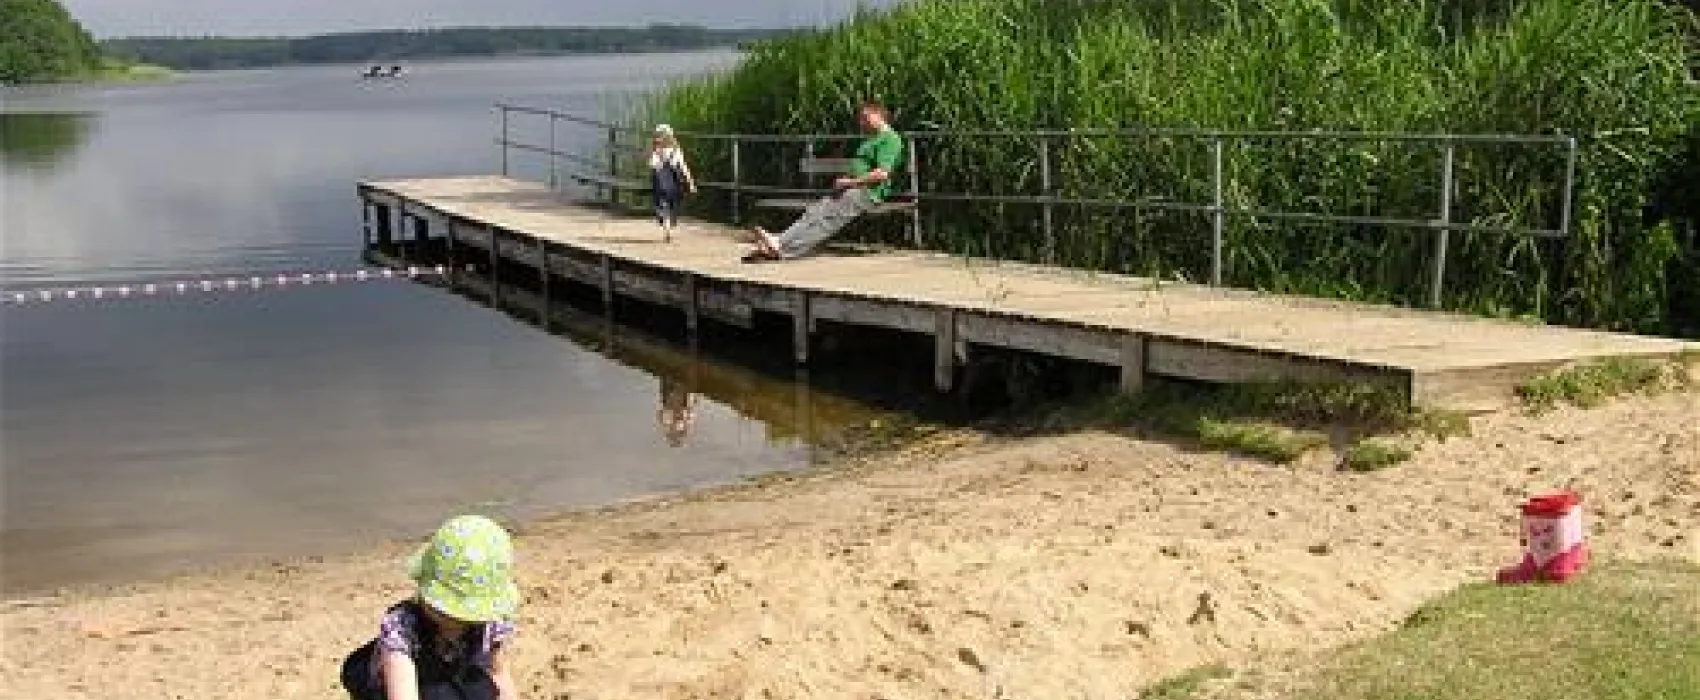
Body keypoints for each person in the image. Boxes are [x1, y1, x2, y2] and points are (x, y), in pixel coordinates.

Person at [340, 515, 522, 700]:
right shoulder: (403, 627)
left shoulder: (490, 624)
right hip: (391, 683)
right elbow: (403, 692)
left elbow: (499, 673)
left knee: (480, 689)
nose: (451, 619)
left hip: (452, 670)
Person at [745, 101, 904, 262]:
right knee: (814, 213)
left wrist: (850, 182)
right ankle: (779, 241)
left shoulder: (891, 140)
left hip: (868, 193)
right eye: (861, 119)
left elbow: (882, 174)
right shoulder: (872, 139)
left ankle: (785, 251)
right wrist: (846, 180)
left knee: (826, 222)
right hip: (853, 188)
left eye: (865, 118)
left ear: (879, 115)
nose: (861, 122)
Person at [649, 124, 698, 242]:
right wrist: (691, 182)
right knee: (672, 205)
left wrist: (655, 153)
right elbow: (683, 167)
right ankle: (670, 227)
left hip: (660, 183)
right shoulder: (676, 151)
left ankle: (667, 230)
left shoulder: (656, 152)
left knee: (662, 206)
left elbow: (652, 165)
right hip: (674, 183)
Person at [656, 375, 696, 448]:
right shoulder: (686, 423)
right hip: (682, 388)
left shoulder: (667, 421)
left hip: (672, 389)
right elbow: (690, 408)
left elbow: (661, 412)